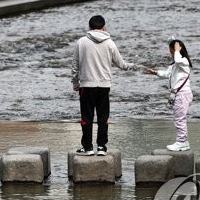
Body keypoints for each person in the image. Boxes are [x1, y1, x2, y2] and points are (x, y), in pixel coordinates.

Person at [71, 15, 136, 156]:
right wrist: (134, 66)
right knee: (103, 117)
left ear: (89, 27)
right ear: (104, 27)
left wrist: (75, 83)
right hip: (104, 86)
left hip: (86, 86)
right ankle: (101, 147)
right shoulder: (110, 43)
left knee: (86, 118)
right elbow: (121, 64)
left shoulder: (81, 42)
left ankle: (87, 147)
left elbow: (75, 65)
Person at [145, 37, 193, 152]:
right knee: (179, 118)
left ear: (179, 50)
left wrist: (176, 50)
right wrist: (156, 72)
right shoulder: (175, 65)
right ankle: (184, 142)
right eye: (171, 51)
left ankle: (181, 141)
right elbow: (167, 74)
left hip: (182, 95)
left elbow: (177, 59)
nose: (171, 54)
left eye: (172, 51)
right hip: (178, 95)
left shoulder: (183, 62)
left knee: (179, 119)